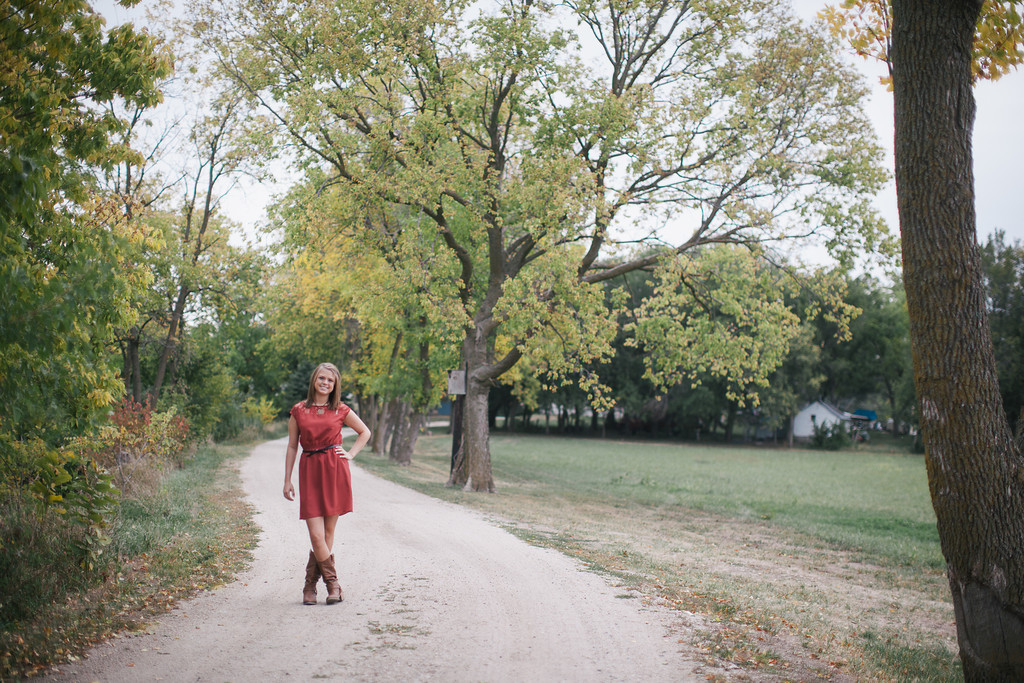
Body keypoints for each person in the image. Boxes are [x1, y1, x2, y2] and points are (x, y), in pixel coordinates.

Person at [283, 362, 371, 605]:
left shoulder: (341, 409)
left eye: (330, 380)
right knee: (315, 534)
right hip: (309, 468)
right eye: (321, 378)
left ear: (335, 385)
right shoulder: (299, 410)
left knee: (328, 532)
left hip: (334, 469)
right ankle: (333, 584)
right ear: (314, 380)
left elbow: (365, 432)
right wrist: (287, 479)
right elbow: (292, 445)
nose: (325, 383)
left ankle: (310, 588)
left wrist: (350, 454)